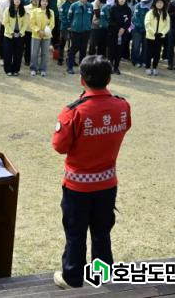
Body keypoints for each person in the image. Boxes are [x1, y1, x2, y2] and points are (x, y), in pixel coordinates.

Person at [51, 55, 132, 290]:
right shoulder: (122, 106)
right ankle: (102, 274)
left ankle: (72, 276)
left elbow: (59, 146)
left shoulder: (73, 111)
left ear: (82, 80)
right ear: (109, 79)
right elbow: (125, 127)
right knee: (102, 231)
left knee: (75, 232)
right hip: (107, 182)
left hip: (78, 186)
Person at [67, 0, 94, 74]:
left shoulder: (90, 6)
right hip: (75, 31)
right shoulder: (74, 6)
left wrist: (88, 25)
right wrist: (72, 26)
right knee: (74, 48)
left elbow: (91, 17)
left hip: (86, 31)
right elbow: (69, 17)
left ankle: (82, 68)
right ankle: (70, 67)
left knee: (83, 49)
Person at [1, 0, 29, 76]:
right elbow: (5, 22)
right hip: (9, 35)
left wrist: (21, 32)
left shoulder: (23, 10)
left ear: (20, 1)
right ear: (12, 1)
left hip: (20, 35)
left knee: (18, 53)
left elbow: (25, 23)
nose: (17, 1)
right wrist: (12, 32)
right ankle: (8, 70)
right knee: (8, 53)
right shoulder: (7, 10)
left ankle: (16, 70)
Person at [144, 0, 170, 76]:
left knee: (157, 53)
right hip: (150, 36)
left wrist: (162, 33)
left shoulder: (165, 13)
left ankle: (155, 67)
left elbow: (167, 25)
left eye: (161, 3)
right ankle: (148, 67)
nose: (159, 4)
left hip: (160, 37)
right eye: (158, 2)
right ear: (155, 3)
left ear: (164, 4)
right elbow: (147, 24)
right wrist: (153, 32)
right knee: (149, 53)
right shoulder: (150, 12)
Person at [30, 0, 55, 76]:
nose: (44, 3)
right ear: (40, 2)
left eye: (46, 1)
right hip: (36, 35)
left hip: (47, 36)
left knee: (45, 53)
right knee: (34, 53)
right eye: (43, 1)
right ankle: (33, 68)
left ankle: (43, 69)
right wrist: (38, 31)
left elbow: (52, 24)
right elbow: (32, 23)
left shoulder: (51, 12)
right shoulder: (34, 11)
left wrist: (45, 32)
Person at [107, 0, 131, 75]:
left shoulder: (128, 9)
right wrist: (118, 28)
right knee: (111, 50)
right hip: (113, 32)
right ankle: (110, 66)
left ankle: (116, 67)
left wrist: (123, 28)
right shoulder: (113, 8)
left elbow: (129, 21)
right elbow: (110, 20)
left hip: (123, 33)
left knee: (119, 50)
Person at [57, 0, 79, 66]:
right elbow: (61, 17)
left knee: (73, 44)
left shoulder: (77, 5)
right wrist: (68, 25)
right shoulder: (63, 6)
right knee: (62, 43)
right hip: (64, 27)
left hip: (75, 27)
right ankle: (60, 58)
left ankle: (70, 59)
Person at [131, 0, 152, 67]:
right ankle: (135, 60)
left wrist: (147, 28)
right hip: (137, 29)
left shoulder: (152, 7)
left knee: (146, 46)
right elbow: (136, 18)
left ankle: (143, 60)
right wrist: (140, 27)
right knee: (136, 45)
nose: (146, 1)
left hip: (147, 30)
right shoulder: (137, 6)